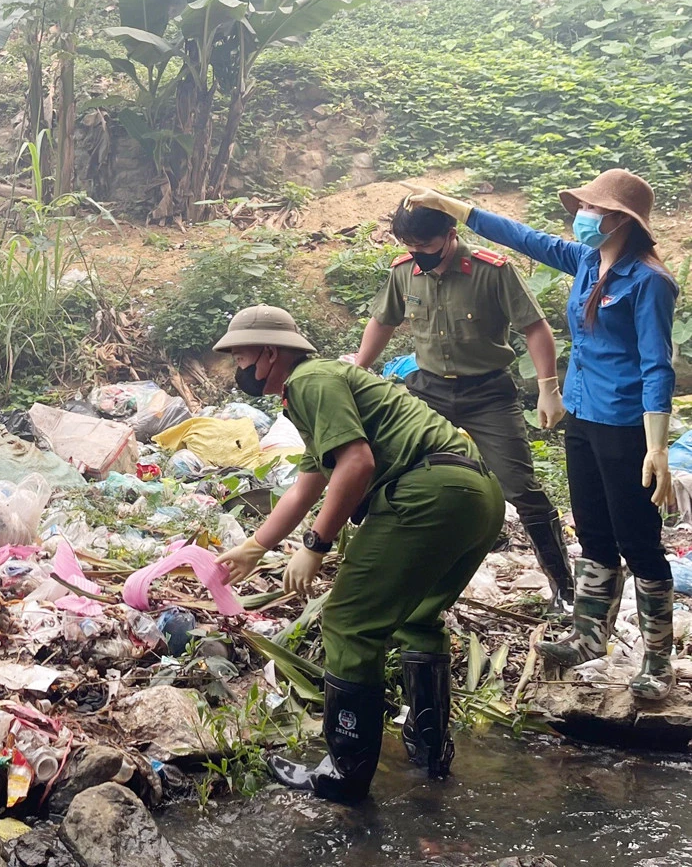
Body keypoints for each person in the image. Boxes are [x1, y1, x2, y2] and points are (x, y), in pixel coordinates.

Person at [215, 305, 504, 803]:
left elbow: (356, 463)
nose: (236, 367)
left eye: (239, 355)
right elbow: (309, 483)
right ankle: (429, 753)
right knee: (418, 617)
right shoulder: (322, 385)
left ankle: (344, 772)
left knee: (348, 622)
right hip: (476, 495)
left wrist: (316, 546)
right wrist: (256, 546)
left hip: (426, 495)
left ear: (268, 353)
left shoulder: (311, 381)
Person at [408, 170, 678, 700]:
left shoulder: (649, 280)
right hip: (582, 413)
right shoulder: (584, 260)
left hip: (627, 424)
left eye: (593, 210)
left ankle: (659, 661)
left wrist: (657, 446)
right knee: (594, 532)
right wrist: (453, 205)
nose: (583, 216)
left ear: (621, 219)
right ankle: (589, 636)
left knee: (639, 542)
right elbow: (523, 237)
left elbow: (657, 366)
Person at [343, 201, 574, 608]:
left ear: (451, 234)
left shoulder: (492, 270)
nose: (419, 252)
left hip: (487, 395)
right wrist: (359, 366)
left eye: (426, 244)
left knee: (520, 487)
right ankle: (378, 566)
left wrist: (548, 386)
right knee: (386, 468)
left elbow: (534, 327)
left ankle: (564, 588)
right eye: (409, 244)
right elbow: (383, 320)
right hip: (427, 390)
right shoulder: (404, 272)